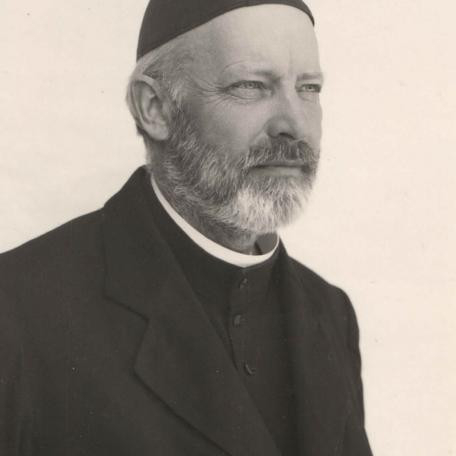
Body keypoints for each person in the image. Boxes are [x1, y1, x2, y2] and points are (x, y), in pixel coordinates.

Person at [0, 1, 373, 455]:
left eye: (309, 88)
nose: (293, 125)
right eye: (251, 86)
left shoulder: (330, 314)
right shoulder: (15, 309)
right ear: (154, 107)